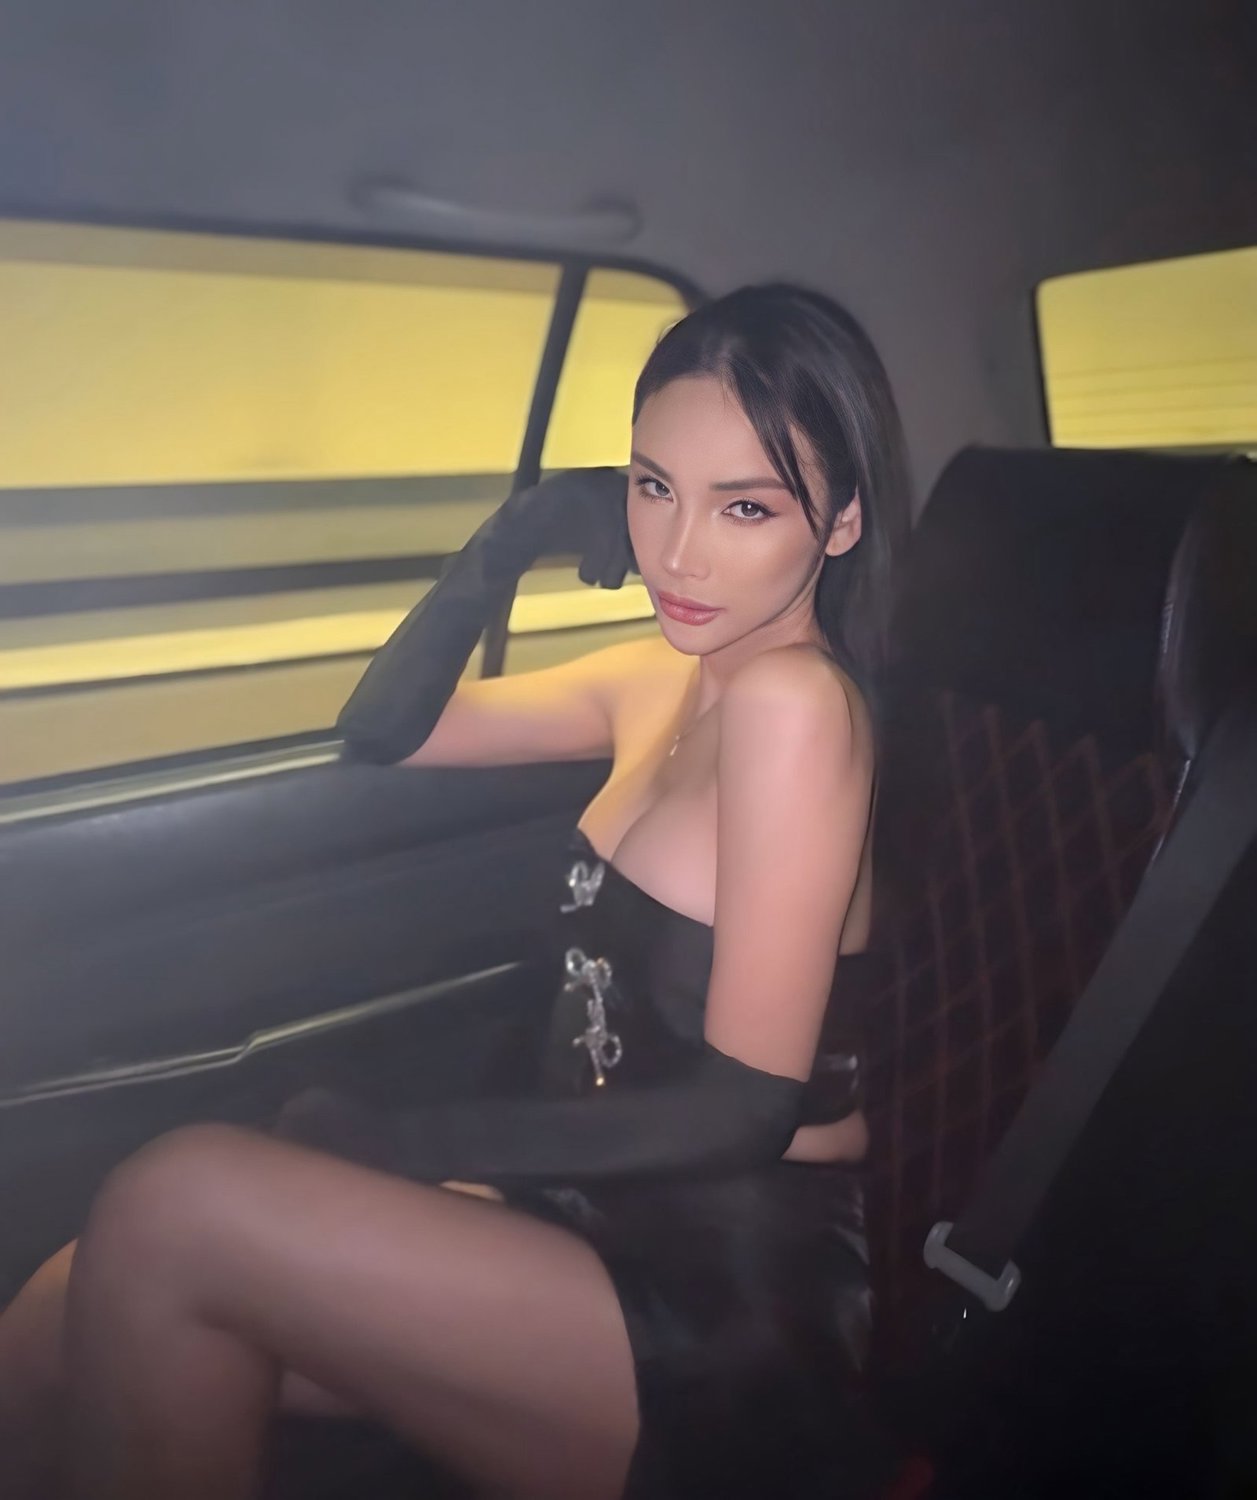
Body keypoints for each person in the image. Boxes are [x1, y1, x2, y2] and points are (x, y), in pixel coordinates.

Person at [0, 282, 910, 1500]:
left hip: (719, 1291)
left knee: (174, 1205)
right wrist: (511, 540)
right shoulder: (659, 678)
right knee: (77, 1295)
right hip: (594, 1203)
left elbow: (743, 1109)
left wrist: (404, 1146)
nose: (678, 552)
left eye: (744, 506)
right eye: (653, 488)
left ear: (841, 523)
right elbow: (386, 729)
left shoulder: (799, 708)